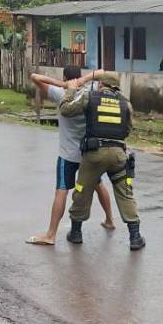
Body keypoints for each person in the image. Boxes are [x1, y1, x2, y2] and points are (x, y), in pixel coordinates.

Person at [26, 66, 116, 245]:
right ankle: (110, 220)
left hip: (67, 155)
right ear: (80, 76)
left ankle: (51, 234)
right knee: (98, 185)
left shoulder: (60, 94)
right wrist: (82, 82)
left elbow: (34, 77)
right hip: (87, 154)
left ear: (66, 77)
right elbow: (103, 72)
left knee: (61, 191)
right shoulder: (89, 94)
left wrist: (63, 85)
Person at [59, 72, 146, 250]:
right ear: (116, 87)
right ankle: (135, 236)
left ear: (100, 85)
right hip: (118, 155)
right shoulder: (125, 103)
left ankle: (76, 233)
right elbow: (128, 129)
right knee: (125, 193)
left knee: (82, 190)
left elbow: (66, 110)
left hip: (94, 155)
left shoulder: (89, 96)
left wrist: (70, 90)